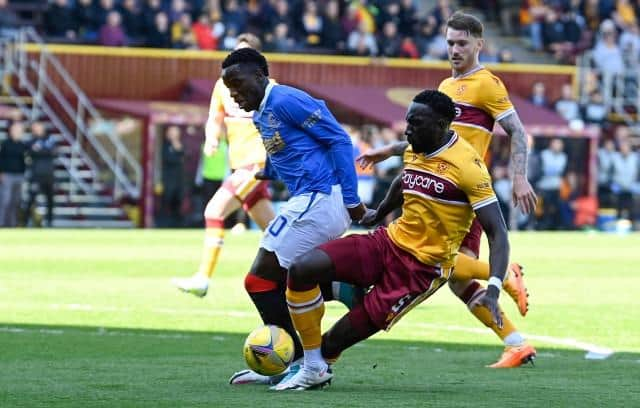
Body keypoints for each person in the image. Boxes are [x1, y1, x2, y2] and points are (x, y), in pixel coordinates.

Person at [276, 90, 510, 390]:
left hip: (418, 271)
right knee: (302, 268)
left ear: (441, 125)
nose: (408, 129)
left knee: (332, 343)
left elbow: (498, 232)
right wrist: (381, 212)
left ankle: (315, 365)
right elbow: (404, 179)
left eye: (416, 123)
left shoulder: (469, 168)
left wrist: (493, 289)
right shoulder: (417, 146)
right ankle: (313, 360)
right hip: (386, 243)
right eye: (407, 121)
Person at [357, 12, 537, 368]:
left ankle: (501, 272)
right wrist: (390, 150)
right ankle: (516, 342)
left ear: (479, 45)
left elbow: (517, 131)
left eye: (462, 43)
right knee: (456, 280)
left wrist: (519, 176)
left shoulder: (487, 83)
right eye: (450, 43)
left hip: (461, 192)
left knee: (443, 264)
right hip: (437, 187)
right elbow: (433, 141)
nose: (454, 50)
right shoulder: (444, 87)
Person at [218, 47, 367, 386]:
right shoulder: (261, 112)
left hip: (321, 198)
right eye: (230, 90)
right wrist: (268, 171)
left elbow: (340, 141)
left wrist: (352, 199)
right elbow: (282, 145)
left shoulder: (286, 99)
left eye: (239, 86)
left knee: (259, 280)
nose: (235, 95)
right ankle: (340, 290)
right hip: (309, 200)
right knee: (291, 279)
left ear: (260, 76)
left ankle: (300, 362)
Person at [171, 34, 276, 297]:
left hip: (257, 164)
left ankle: (203, 279)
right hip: (239, 164)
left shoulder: (269, 87)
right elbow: (215, 117)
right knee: (277, 233)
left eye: (245, 54)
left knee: (214, 211)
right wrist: (211, 140)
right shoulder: (223, 86)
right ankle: (321, 279)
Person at [24, 121, 56, 227]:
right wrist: (43, 151)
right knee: (31, 199)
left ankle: (49, 221)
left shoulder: (50, 139)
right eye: (34, 127)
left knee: (50, 199)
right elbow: (30, 152)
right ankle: (25, 222)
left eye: (38, 126)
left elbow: (54, 152)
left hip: (49, 175)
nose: (36, 129)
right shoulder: (30, 141)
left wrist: (39, 151)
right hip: (36, 174)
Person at [0, 121, 28, 227]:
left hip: (19, 175)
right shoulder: (5, 144)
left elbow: (25, 160)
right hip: (7, 175)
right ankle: (1, 223)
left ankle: (12, 223)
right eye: (16, 130)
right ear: (11, 131)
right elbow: (1, 159)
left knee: (16, 201)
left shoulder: (23, 145)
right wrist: (1, 172)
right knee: (5, 200)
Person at [160, 125, 184, 227]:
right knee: (167, 199)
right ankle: (164, 222)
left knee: (178, 200)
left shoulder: (180, 145)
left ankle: (177, 223)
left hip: (178, 178)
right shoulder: (165, 145)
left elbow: (182, 155)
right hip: (168, 178)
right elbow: (169, 159)